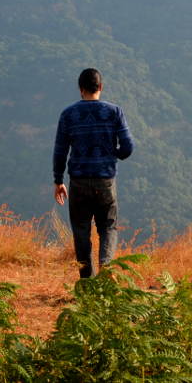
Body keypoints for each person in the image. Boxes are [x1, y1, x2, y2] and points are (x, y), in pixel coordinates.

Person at [52, 67, 134, 278]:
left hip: (78, 181)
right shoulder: (114, 112)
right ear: (101, 87)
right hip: (105, 180)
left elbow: (60, 150)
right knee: (108, 227)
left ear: (81, 89)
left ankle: (87, 281)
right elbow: (128, 147)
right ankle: (106, 270)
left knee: (81, 230)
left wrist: (58, 180)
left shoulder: (68, 114)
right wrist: (112, 154)